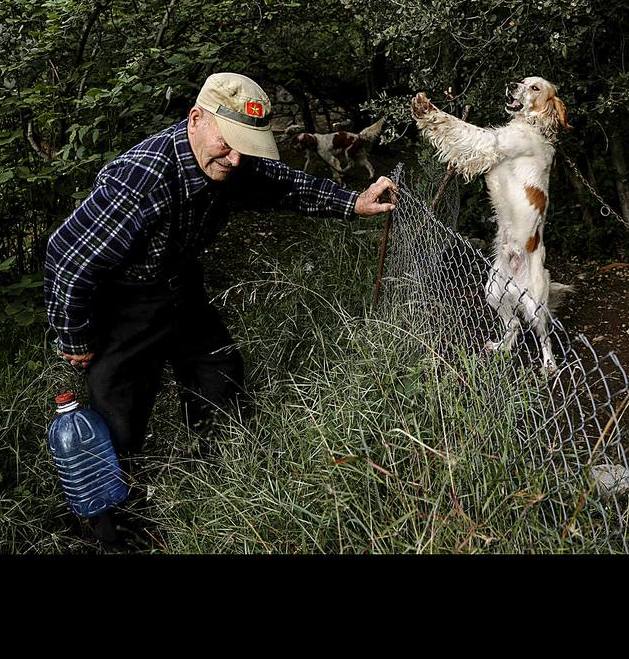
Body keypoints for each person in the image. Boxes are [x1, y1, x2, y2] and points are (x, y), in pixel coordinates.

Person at [43, 72, 397, 549]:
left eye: (244, 148)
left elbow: (283, 184)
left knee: (219, 373)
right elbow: (69, 257)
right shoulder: (141, 178)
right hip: (125, 302)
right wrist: (76, 338)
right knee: (119, 413)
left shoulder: (236, 161)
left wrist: (351, 201)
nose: (234, 159)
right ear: (195, 120)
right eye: (227, 145)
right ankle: (113, 527)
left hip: (181, 286)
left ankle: (216, 473)